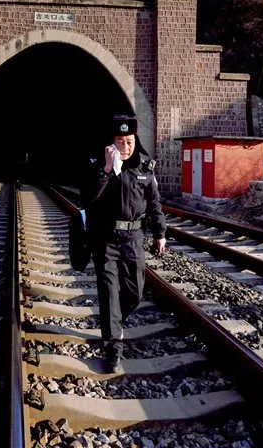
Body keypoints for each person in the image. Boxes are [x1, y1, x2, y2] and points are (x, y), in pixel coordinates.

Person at [84, 114, 167, 373]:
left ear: (135, 139)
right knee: (109, 292)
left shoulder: (145, 167)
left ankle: (114, 322)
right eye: (120, 141)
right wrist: (107, 170)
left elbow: (154, 204)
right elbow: (88, 197)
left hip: (133, 239)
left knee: (134, 293)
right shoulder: (99, 163)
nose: (125, 146)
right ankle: (113, 348)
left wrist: (159, 233)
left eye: (129, 140)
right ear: (112, 141)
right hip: (106, 239)